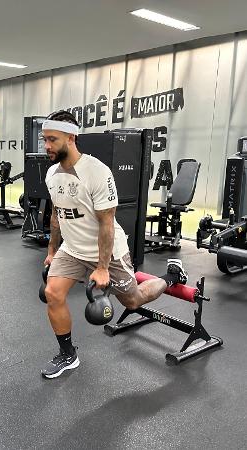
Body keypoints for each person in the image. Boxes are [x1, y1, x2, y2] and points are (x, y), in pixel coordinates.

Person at [41, 110, 188, 378]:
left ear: (71, 137)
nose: (47, 146)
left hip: (108, 252)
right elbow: (56, 214)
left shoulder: (96, 172)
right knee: (53, 293)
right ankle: (68, 355)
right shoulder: (52, 173)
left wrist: (102, 267)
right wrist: (52, 250)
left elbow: (107, 223)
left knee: (133, 301)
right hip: (72, 250)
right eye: (45, 140)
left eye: (52, 139)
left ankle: (171, 275)